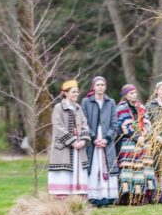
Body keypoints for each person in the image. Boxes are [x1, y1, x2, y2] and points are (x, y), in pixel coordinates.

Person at [48, 79, 91, 198]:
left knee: (78, 171)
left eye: (77, 92)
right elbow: (58, 127)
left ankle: (78, 198)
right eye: (73, 92)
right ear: (65, 93)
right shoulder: (58, 107)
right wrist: (72, 142)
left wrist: (83, 140)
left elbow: (84, 124)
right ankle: (62, 198)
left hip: (79, 147)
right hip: (64, 148)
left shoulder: (78, 107)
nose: (76, 94)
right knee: (64, 173)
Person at [81, 76, 118, 207]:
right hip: (93, 139)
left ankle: (108, 196)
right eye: (98, 85)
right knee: (94, 165)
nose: (100, 87)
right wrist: (93, 138)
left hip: (106, 138)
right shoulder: (86, 102)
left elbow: (115, 123)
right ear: (93, 87)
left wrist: (107, 139)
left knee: (107, 165)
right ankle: (94, 196)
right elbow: (83, 122)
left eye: (102, 84)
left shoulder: (111, 102)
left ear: (105, 86)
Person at [116, 84, 156, 204]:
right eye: (131, 93)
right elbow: (122, 125)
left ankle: (142, 195)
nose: (134, 95)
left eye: (134, 93)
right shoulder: (121, 108)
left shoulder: (141, 107)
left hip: (142, 142)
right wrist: (136, 137)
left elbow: (147, 123)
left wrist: (143, 135)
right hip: (129, 141)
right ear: (125, 95)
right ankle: (127, 196)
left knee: (143, 168)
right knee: (129, 168)